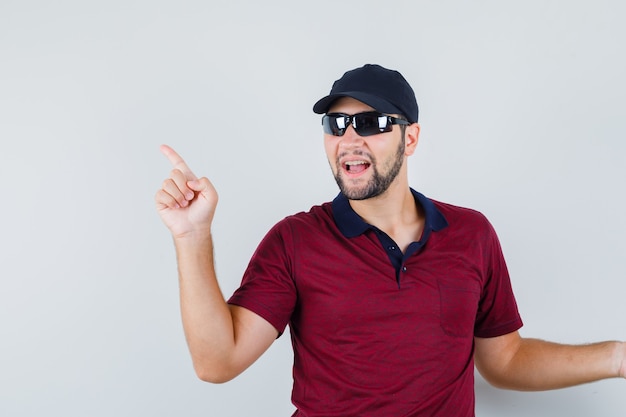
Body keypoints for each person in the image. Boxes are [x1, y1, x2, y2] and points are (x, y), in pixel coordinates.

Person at [155, 64, 625, 416]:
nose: (350, 138)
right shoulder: (295, 241)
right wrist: (193, 235)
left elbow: (505, 360)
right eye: (336, 125)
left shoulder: (471, 235)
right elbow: (217, 363)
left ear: (411, 138)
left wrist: (617, 358)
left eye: (374, 123)